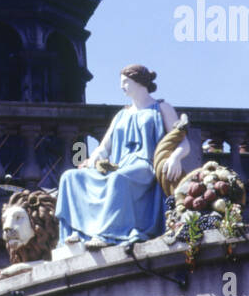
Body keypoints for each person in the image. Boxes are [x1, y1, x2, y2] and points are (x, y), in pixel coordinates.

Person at [56, 64, 189, 249]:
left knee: (119, 179)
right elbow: (103, 147)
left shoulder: (162, 108)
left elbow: (184, 142)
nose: (122, 86)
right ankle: (77, 234)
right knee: (70, 177)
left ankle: (108, 235)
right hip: (119, 166)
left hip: (144, 166)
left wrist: (175, 158)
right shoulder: (121, 115)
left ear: (138, 82)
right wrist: (93, 159)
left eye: (125, 82)